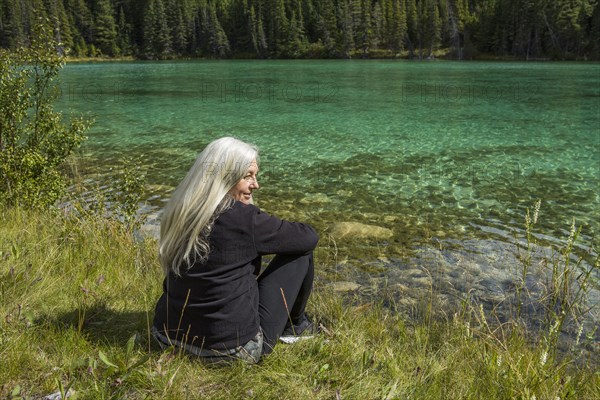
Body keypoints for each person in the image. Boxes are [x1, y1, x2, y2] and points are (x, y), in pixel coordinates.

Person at [152, 137, 319, 364]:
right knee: (300, 252)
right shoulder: (243, 219)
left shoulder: (181, 211)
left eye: (255, 175)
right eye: (248, 175)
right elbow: (308, 237)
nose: (255, 184)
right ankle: (296, 327)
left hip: (165, 336)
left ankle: (295, 327)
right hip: (232, 351)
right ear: (225, 177)